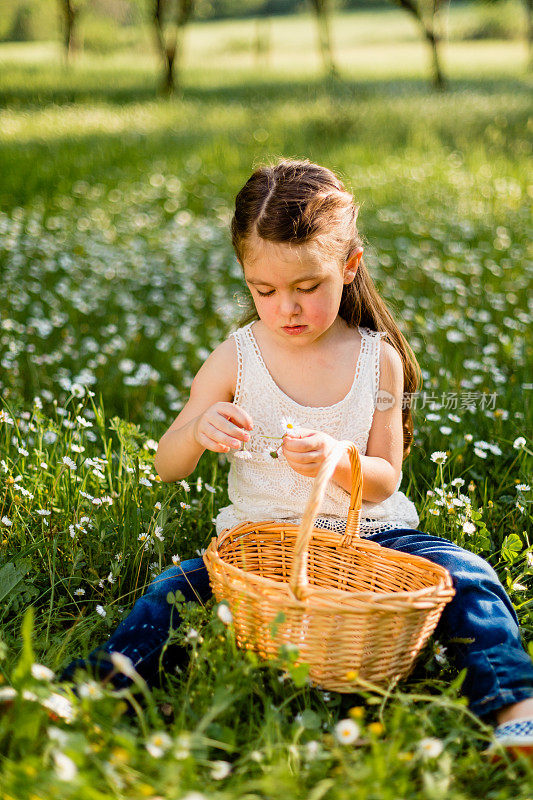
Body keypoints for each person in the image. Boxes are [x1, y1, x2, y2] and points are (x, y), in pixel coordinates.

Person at [61, 159, 533, 760]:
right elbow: (166, 464)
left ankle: (517, 711)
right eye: (264, 291)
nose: (287, 308)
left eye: (308, 287)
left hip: (375, 540)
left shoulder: (376, 360)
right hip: (258, 543)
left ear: (349, 267)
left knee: (466, 576)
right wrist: (200, 429)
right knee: (170, 594)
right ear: (247, 279)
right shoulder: (237, 357)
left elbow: (386, 479)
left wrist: (341, 461)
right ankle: (99, 691)